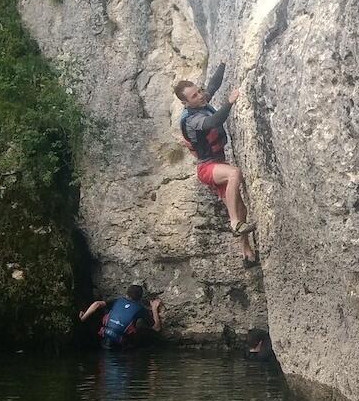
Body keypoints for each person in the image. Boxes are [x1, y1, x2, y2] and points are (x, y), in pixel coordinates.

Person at [173, 63, 258, 267]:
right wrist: (230, 102)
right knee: (234, 174)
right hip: (207, 168)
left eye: (198, 91)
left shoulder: (200, 102)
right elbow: (212, 122)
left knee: (240, 207)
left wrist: (224, 65)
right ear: (185, 103)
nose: (200, 96)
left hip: (217, 162)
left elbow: (213, 84)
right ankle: (234, 223)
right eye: (194, 96)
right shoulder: (192, 120)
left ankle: (247, 254)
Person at [79, 284, 163, 350]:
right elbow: (157, 328)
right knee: (141, 330)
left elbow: (97, 304)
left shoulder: (118, 301)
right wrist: (154, 308)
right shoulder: (141, 309)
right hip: (120, 344)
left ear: (127, 294)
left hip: (103, 337)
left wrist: (83, 317)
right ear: (140, 298)